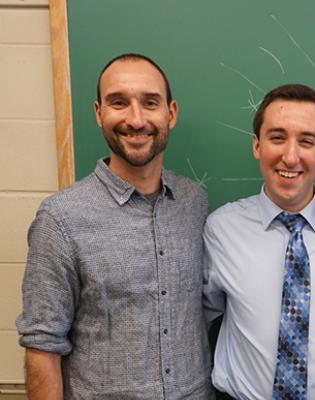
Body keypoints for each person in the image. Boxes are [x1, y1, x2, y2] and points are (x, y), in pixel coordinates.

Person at [16, 53, 213, 400]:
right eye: (119, 102)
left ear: (171, 113)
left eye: (150, 103)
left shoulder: (194, 203)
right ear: (98, 112)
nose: (136, 119)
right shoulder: (60, 219)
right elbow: (42, 344)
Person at [203, 83, 315, 400]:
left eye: (306, 141)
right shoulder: (220, 230)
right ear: (256, 146)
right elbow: (197, 318)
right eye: (277, 138)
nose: (290, 156)